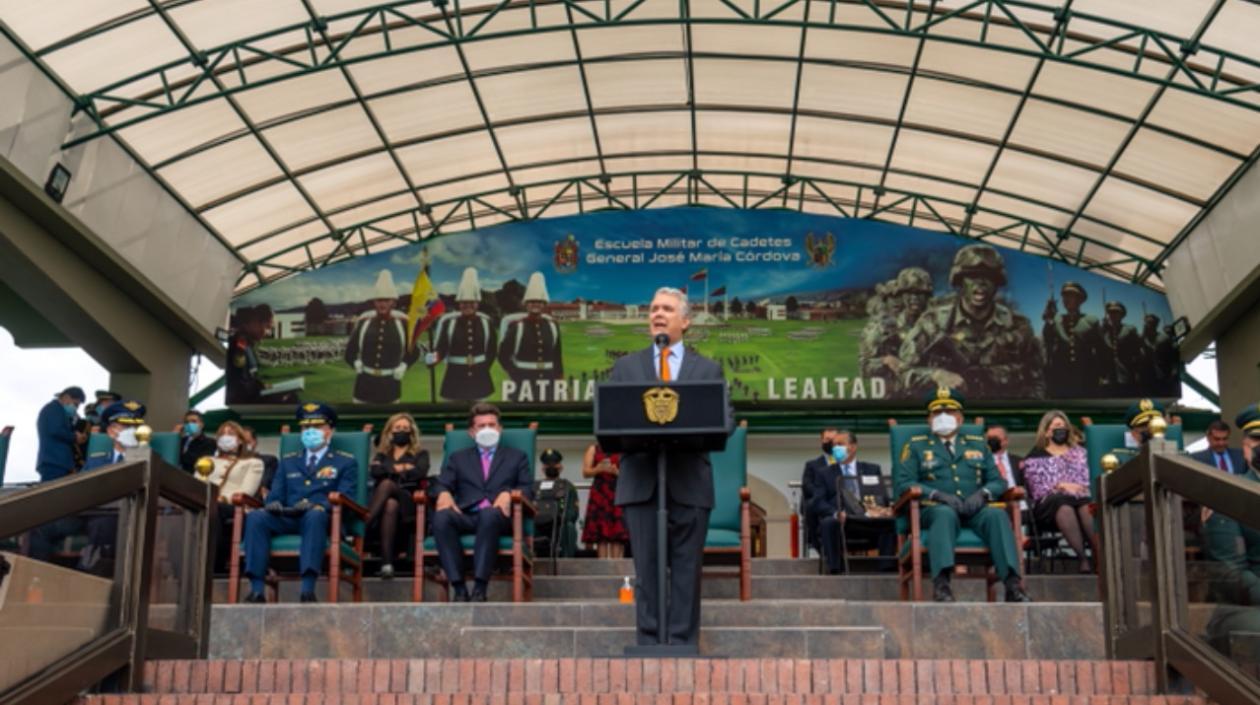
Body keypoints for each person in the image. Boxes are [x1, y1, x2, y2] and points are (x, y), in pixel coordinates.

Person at [610, 286, 730, 646]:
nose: (657, 314)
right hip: (642, 480)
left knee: (686, 571)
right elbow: (611, 417)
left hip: (689, 481)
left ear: (686, 320)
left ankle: (682, 644)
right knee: (647, 570)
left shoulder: (707, 368)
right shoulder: (626, 366)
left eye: (666, 309)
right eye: (653, 309)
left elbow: (726, 418)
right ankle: (649, 643)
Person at [893, 387, 1030, 603]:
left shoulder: (978, 445)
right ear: (929, 418)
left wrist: (982, 494)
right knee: (945, 514)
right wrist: (938, 494)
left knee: (996, 516)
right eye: (938, 413)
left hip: (973, 508)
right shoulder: (916, 446)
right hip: (934, 508)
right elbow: (904, 483)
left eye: (950, 412)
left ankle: (1013, 586)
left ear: (960, 417)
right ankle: (942, 585)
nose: (944, 417)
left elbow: (997, 481)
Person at [241, 403, 357, 603]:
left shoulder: (344, 462)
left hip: (322, 519)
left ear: (330, 431)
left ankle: (307, 589)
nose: (310, 432)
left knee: (315, 515)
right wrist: (273, 503)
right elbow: (276, 493)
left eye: (317, 427)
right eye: (305, 428)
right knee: (256, 517)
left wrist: (319, 504)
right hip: (288, 515)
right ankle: (257, 589)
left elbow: (346, 496)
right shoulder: (288, 461)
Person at [899, 244, 1044, 398]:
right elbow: (903, 372)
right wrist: (936, 375)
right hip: (949, 411)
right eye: (972, 276)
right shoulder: (933, 322)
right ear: (960, 281)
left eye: (989, 277)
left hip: (1000, 414)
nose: (980, 283)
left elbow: (1037, 381)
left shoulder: (1017, 326)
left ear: (997, 283)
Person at [432, 403, 533, 601]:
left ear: (500, 429)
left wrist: (508, 493)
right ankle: (459, 587)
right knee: (441, 517)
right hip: (467, 515)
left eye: (492, 424)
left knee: (489, 514)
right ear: (471, 432)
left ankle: (480, 587)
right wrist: (443, 493)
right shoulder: (458, 458)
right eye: (481, 425)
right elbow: (440, 484)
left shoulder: (516, 457)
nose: (487, 429)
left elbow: (528, 489)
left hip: (499, 518)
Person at [1020, 411, 1096, 573]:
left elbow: (1088, 478)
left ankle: (1099, 555)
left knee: (1086, 506)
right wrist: (1060, 485)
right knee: (1062, 503)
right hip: (1048, 506)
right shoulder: (1034, 457)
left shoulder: (1080, 453)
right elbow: (1037, 489)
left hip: (1080, 498)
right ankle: (1082, 559)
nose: (1061, 429)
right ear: (1047, 431)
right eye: (1056, 426)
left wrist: (1077, 487)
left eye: (1063, 426)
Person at [809, 429, 892, 574]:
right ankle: (835, 568)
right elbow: (818, 502)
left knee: (891, 521)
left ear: (853, 447)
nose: (835, 448)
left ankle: (887, 566)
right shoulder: (824, 473)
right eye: (834, 445)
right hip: (842, 521)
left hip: (868, 520)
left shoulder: (872, 469)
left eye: (840, 444)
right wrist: (835, 513)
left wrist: (881, 510)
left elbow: (882, 497)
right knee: (828, 522)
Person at [367, 412, 429, 579]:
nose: (401, 431)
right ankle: (387, 564)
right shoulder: (382, 454)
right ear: (390, 431)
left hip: (410, 502)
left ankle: (365, 524)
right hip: (386, 505)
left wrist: (389, 471)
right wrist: (403, 468)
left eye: (405, 428)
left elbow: (419, 472)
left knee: (386, 484)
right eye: (397, 428)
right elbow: (374, 471)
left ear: (411, 432)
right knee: (390, 504)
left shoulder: (421, 453)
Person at [199, 421, 265, 572]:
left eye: (231, 434)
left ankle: (214, 568)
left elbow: (246, 492)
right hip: (205, 502)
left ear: (241, 440)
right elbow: (196, 483)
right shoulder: (206, 461)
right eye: (222, 434)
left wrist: (221, 498)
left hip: (236, 507)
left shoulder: (253, 463)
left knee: (216, 509)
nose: (225, 437)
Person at [345, 270, 419, 404]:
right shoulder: (364, 321)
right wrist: (355, 362)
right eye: (379, 300)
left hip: (390, 386)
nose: (382, 304)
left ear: (393, 302)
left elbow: (414, 352)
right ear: (374, 302)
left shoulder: (403, 323)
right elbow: (350, 352)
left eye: (386, 300)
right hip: (364, 386)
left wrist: (404, 366)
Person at [429, 267, 497, 402]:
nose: (468, 305)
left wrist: (481, 369)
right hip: (454, 380)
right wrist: (430, 359)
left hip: (480, 380)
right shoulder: (448, 322)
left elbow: (491, 351)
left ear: (477, 303)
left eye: (471, 302)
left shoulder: (486, 322)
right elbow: (440, 350)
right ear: (459, 303)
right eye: (464, 302)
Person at [499, 272, 564, 402]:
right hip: (522, 382)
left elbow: (557, 356)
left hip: (548, 383)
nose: (536, 304)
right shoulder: (517, 326)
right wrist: (514, 373)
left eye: (539, 302)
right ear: (526, 304)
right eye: (532, 301)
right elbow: (502, 355)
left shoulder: (552, 325)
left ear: (544, 304)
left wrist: (560, 380)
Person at [1041, 282, 1102, 398]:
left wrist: (1101, 374)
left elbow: (1101, 350)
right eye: (1064, 296)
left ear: (1079, 300)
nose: (1066, 299)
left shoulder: (1091, 321)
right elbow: (1047, 339)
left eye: (1070, 296)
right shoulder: (1056, 320)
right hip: (1061, 378)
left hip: (1086, 377)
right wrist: (1049, 320)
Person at [581, 442, 628, 558]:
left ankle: (617, 567)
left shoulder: (623, 448)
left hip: (618, 491)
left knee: (617, 533)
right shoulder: (594, 448)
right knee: (601, 533)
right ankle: (602, 566)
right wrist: (599, 468)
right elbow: (586, 472)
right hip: (600, 493)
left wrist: (616, 472)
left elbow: (632, 475)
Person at [533, 449, 580, 558]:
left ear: (560, 466)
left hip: (560, 526)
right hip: (539, 524)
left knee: (569, 526)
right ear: (543, 468)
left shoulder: (568, 487)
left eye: (554, 463)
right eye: (548, 464)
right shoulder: (534, 486)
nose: (551, 466)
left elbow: (573, 513)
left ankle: (566, 561)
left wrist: (557, 517)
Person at [36, 386, 86, 482]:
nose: (75, 408)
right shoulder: (53, 409)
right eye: (75, 404)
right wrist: (75, 436)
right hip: (54, 462)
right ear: (66, 397)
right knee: (51, 495)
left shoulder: (58, 411)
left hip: (58, 462)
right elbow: (56, 430)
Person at [1099, 301, 1142, 393]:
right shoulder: (1103, 330)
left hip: (1126, 373)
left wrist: (1137, 372)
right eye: (1110, 312)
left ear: (1122, 315)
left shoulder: (1129, 329)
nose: (1113, 315)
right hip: (1108, 375)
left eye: (1116, 312)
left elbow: (1137, 352)